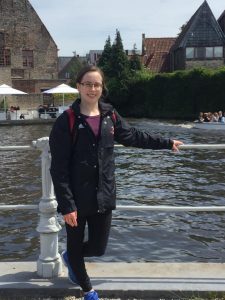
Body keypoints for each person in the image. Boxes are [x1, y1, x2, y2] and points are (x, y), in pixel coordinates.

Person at [49, 65, 183, 300]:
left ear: (102, 88)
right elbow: (58, 168)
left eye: (97, 84)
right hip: (76, 198)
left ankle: (71, 257)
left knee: (99, 248)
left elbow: (133, 137)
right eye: (87, 84)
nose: (92, 88)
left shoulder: (110, 115)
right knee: (76, 241)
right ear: (78, 87)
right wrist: (67, 205)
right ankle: (88, 291)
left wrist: (166, 142)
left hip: (104, 193)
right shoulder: (66, 121)